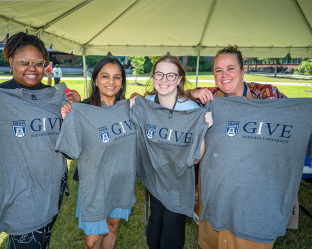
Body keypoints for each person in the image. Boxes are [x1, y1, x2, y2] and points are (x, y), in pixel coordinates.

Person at [0, 32, 81, 249]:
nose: (32, 68)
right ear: (11, 62)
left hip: (52, 191)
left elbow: (72, 144)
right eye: (24, 62)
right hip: (20, 197)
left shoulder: (55, 97)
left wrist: (74, 109)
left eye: (38, 63)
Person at [191, 45, 294, 249]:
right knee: (216, 234)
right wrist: (194, 91)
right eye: (218, 71)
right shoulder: (209, 97)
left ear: (242, 71)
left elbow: (293, 120)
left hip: (256, 185)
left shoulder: (266, 94)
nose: (224, 75)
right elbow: (173, 98)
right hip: (216, 182)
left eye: (230, 68)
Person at [130, 55, 212, 249]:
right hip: (155, 174)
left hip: (180, 177)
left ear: (179, 79)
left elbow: (197, 158)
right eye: (159, 74)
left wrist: (203, 129)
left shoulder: (191, 109)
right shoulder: (145, 104)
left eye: (170, 75)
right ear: (153, 77)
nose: (164, 80)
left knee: (171, 222)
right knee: (156, 219)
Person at [56, 57, 136, 249]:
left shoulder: (130, 108)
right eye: (105, 76)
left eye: (117, 77)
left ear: (122, 82)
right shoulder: (83, 110)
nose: (111, 82)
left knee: (113, 227)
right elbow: (70, 152)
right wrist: (68, 118)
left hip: (122, 182)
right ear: (96, 80)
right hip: (95, 184)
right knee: (92, 242)